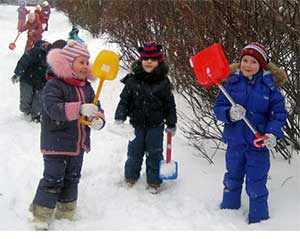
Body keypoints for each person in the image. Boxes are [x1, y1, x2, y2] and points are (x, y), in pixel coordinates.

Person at [29, 39, 106, 230]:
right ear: (68, 63)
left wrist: (98, 119)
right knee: (53, 178)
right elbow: (53, 109)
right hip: (56, 143)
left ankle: (66, 211)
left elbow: (97, 107)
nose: (84, 66)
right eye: (81, 62)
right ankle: (41, 214)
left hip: (78, 144)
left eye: (86, 62)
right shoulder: (54, 85)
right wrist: (79, 109)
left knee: (72, 178)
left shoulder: (86, 87)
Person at [213, 42, 288, 224]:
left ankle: (259, 221)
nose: (247, 65)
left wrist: (271, 134)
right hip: (235, 143)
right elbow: (218, 108)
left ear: (261, 65)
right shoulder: (231, 83)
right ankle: (228, 214)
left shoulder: (270, 88)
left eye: (253, 62)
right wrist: (229, 114)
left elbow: (278, 115)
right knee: (232, 178)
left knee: (256, 183)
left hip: (258, 144)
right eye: (244, 60)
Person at [114, 41, 177, 193]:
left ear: (159, 62)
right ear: (140, 60)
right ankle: (131, 176)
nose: (149, 62)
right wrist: (120, 116)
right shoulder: (132, 80)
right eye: (146, 59)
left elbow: (169, 104)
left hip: (156, 125)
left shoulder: (163, 82)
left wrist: (171, 123)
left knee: (155, 152)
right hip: (136, 124)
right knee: (134, 151)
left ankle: (154, 181)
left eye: (153, 59)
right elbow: (124, 100)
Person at [11, 39, 67, 122]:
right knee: (26, 98)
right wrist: (18, 73)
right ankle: (26, 111)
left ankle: (36, 115)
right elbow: (24, 60)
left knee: (39, 99)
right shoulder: (38, 52)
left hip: (43, 82)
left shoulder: (58, 62)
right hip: (27, 79)